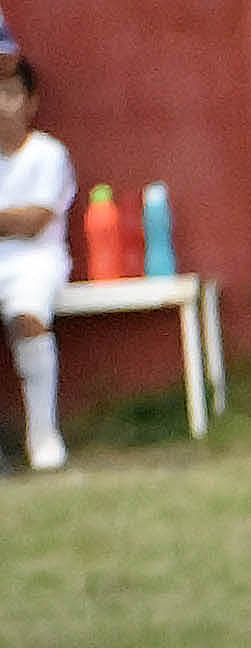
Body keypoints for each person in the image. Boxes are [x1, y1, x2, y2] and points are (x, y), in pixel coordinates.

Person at [0, 42, 73, 472]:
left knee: (28, 318)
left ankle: (43, 436)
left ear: (31, 102)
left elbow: (34, 222)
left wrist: (13, 220)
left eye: (11, 94)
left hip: (37, 261)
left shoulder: (49, 154)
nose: (2, 105)